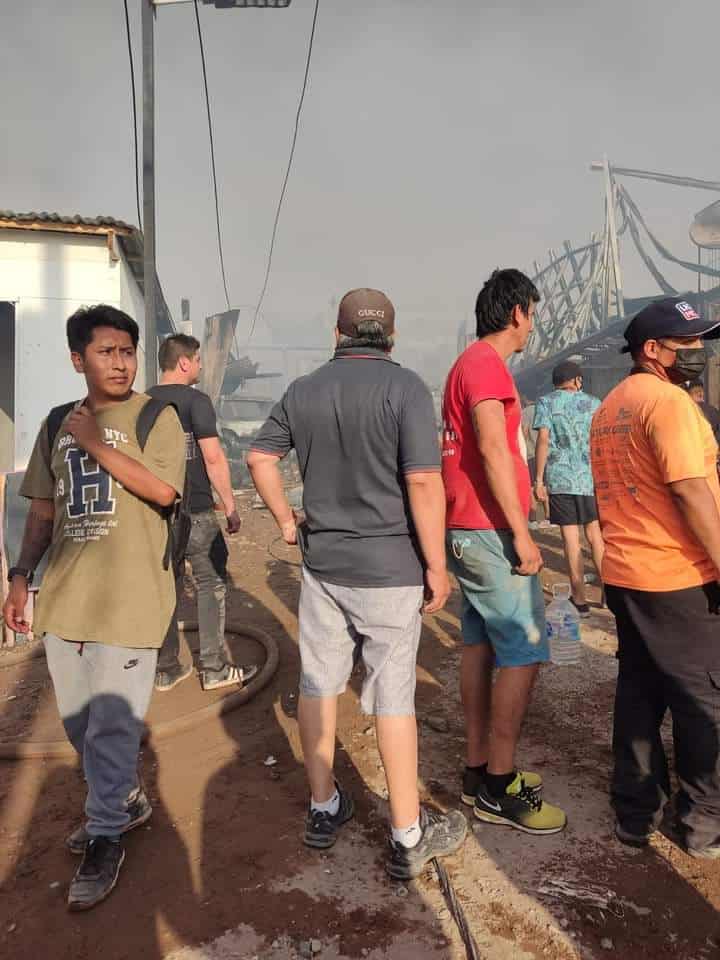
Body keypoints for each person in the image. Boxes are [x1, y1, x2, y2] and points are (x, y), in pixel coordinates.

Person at [247, 288, 467, 880]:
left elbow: (259, 459)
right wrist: (437, 566)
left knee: (318, 684)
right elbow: (423, 484)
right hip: (391, 570)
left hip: (324, 569)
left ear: (337, 332)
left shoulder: (304, 390)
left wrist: (286, 522)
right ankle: (407, 833)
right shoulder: (406, 389)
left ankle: (324, 808)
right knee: (393, 697)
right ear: (389, 336)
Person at [2, 305, 186, 910]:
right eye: (106, 351)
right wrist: (20, 577)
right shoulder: (57, 421)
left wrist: (93, 443)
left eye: (127, 350)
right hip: (66, 599)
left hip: (133, 600)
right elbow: (43, 511)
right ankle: (124, 800)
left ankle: (106, 832)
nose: (120, 361)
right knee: (81, 723)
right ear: (77, 358)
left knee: (111, 725)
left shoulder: (158, 416)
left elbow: (162, 491)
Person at [590, 297, 720, 857]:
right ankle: (704, 824)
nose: (698, 353)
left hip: (627, 574)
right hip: (678, 576)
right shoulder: (668, 403)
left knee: (640, 693)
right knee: (701, 701)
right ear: (653, 351)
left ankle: (635, 812)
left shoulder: (610, 407)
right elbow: (691, 489)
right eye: (687, 344)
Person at [442, 268, 566, 835]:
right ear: (516, 312)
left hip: (468, 528)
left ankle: (477, 769)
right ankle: (499, 783)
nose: (532, 325)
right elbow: (494, 449)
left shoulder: (465, 364)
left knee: (478, 643)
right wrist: (521, 534)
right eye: (533, 314)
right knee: (524, 648)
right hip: (491, 532)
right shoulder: (487, 366)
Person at [149, 334, 257, 693]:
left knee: (166, 588)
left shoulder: (141, 402)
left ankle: (165, 669)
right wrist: (230, 505)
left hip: (155, 514)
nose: (199, 366)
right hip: (195, 510)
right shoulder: (196, 401)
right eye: (197, 360)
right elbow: (212, 457)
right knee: (210, 583)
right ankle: (213, 668)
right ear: (184, 363)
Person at [533, 360, 604, 616]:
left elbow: (543, 439)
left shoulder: (546, 402)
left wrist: (539, 480)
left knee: (571, 540)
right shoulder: (595, 404)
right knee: (595, 536)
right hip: (589, 479)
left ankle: (580, 600)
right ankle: (610, 594)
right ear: (577, 380)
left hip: (561, 480)